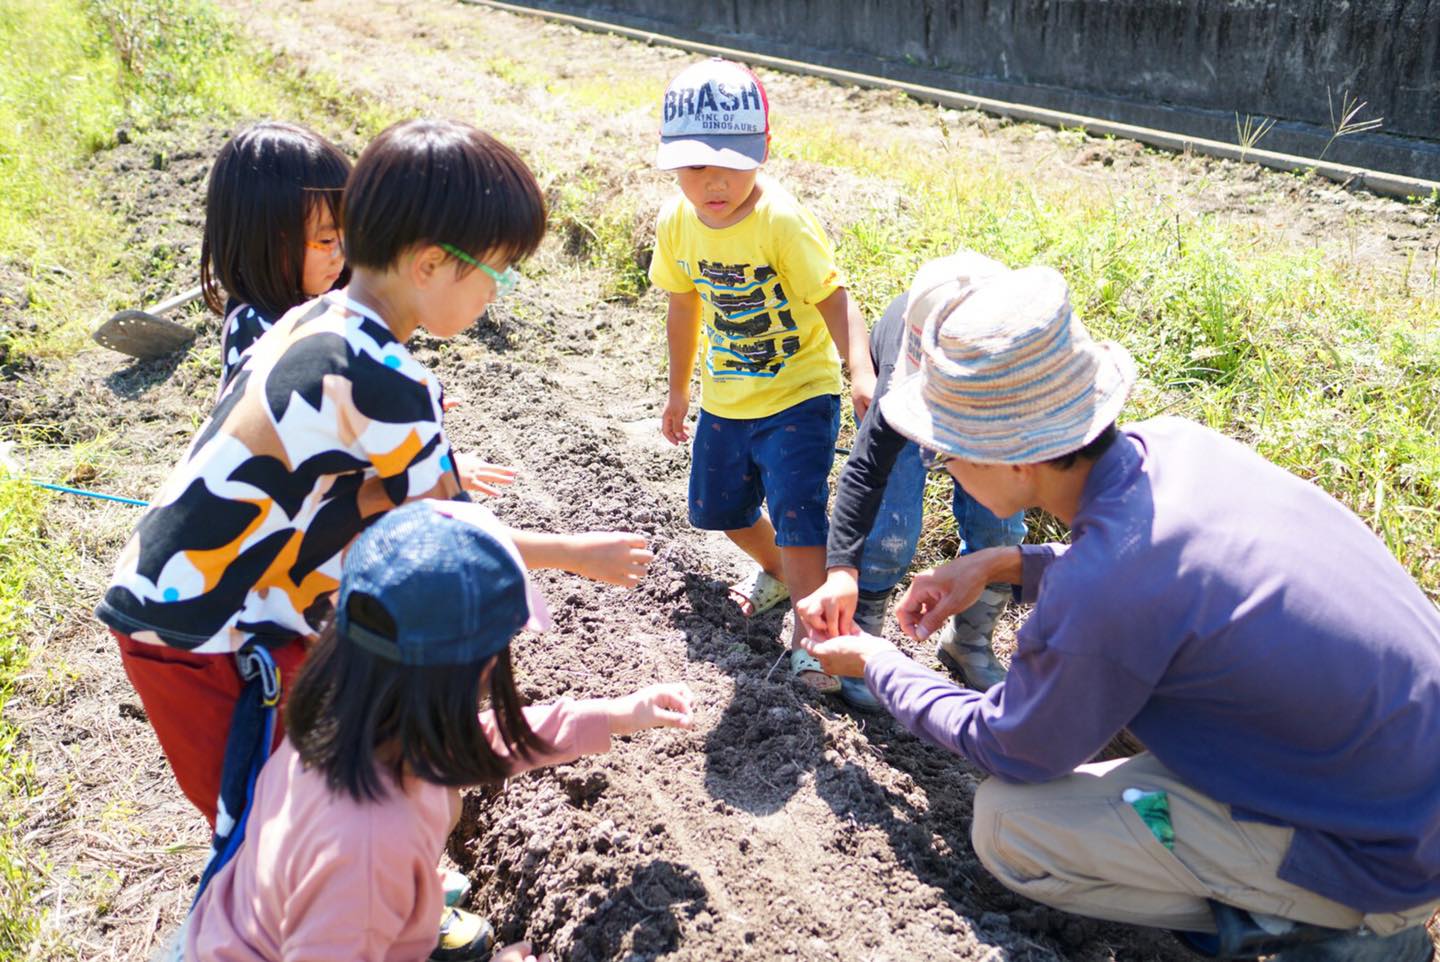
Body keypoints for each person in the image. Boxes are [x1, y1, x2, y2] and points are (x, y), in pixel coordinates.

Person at [804, 264, 1440, 960]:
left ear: (1015, 461)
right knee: (1119, 709)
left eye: (947, 454)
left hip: (1382, 854)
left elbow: (1012, 745)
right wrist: (1001, 563)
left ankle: (1335, 928)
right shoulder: (1173, 445)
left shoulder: (1109, 585)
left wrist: (880, 661)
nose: (945, 468)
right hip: (1397, 780)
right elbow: (1154, 580)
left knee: (1012, 826)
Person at [98, 119, 654, 833]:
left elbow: (358, 494)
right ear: (428, 265)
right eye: (496, 273)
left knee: (327, 776)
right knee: (271, 818)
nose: (496, 294)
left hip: (221, 598)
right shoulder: (390, 381)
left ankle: (375, 882)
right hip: (202, 630)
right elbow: (434, 547)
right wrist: (573, 555)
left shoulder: (318, 323)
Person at [176, 499, 695, 961]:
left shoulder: (351, 728)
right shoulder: (369, 845)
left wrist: (618, 714)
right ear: (463, 672)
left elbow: (480, 739)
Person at [649, 57, 876, 694]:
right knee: (717, 507)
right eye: (695, 165)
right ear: (671, 162)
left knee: (799, 509)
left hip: (799, 391)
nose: (715, 180)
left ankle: (815, 641)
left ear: (764, 150)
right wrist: (677, 391)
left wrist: (858, 370)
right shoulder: (677, 223)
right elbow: (684, 302)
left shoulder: (781, 220)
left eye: (733, 160)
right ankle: (785, 576)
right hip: (727, 393)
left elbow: (834, 297)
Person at [796, 251, 1026, 708]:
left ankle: (969, 643)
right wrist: (841, 569)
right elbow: (864, 471)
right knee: (889, 533)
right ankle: (861, 648)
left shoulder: (1017, 376)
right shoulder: (904, 381)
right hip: (907, 402)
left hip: (991, 421)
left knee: (1000, 531)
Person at [200, 121, 352, 388]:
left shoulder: (310, 295)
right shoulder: (257, 331)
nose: (343, 252)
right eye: (327, 239)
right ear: (268, 243)